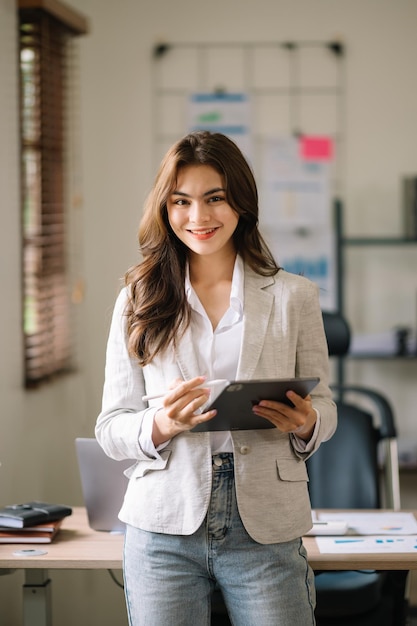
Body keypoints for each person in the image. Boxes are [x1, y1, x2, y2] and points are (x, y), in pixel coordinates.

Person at [95, 130, 337, 626]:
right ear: (166, 208)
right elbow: (111, 426)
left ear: (240, 204)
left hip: (265, 523)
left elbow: (326, 408)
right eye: (181, 201)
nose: (198, 217)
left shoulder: (295, 297)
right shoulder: (138, 297)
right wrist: (159, 424)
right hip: (164, 523)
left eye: (215, 199)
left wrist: (307, 422)